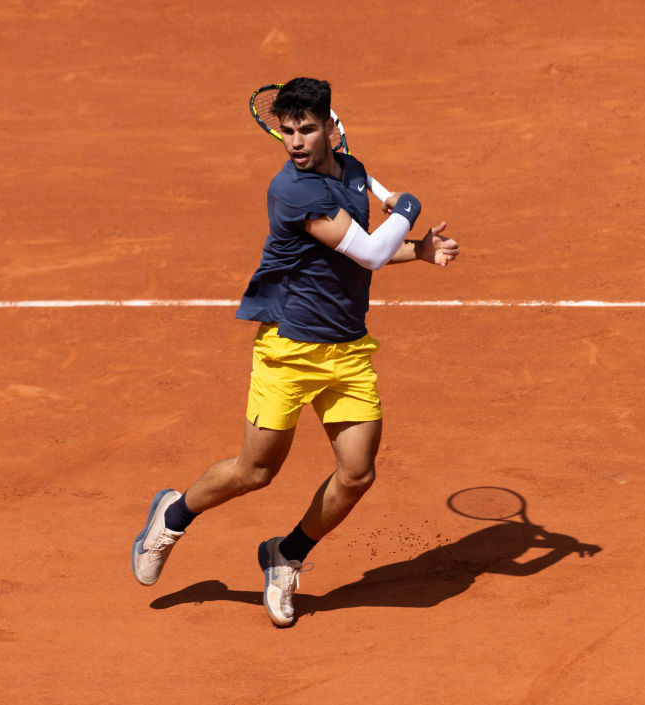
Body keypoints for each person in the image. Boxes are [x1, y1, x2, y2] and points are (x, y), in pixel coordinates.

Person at [132, 77, 459, 627]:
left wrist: (419, 251)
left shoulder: (352, 175)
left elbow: (362, 256)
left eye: (307, 129)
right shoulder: (293, 191)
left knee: (357, 474)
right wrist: (409, 207)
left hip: (348, 351)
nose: (296, 142)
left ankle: (286, 554)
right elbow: (372, 251)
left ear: (331, 128)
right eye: (287, 132)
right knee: (255, 472)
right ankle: (173, 514)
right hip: (289, 352)